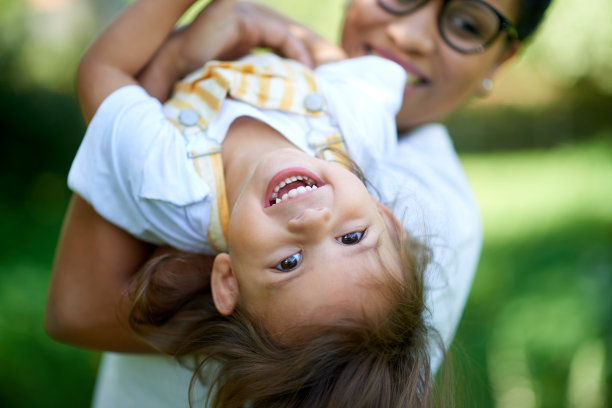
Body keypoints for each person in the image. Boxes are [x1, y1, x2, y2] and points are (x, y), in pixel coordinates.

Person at [45, 0, 553, 406]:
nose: (408, 35)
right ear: (387, 222)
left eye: (466, 22)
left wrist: (174, 62)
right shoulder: (351, 126)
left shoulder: (428, 208)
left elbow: (79, 308)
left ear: (228, 282)